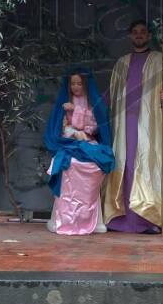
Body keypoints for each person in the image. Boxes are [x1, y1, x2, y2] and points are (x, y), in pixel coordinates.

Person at [104, 20, 163, 233]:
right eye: (135, 32)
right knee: (126, 165)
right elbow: (112, 94)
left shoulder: (160, 60)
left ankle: (149, 220)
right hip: (125, 125)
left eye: (143, 32)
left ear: (149, 36)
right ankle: (121, 219)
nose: (139, 35)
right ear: (130, 36)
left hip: (149, 125)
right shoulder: (122, 63)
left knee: (147, 165)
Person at [44, 68, 115, 235]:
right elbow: (59, 127)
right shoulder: (64, 101)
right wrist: (72, 132)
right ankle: (64, 219)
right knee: (69, 165)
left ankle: (90, 219)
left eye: (79, 83)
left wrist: (76, 112)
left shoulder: (94, 102)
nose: (76, 87)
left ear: (85, 84)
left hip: (88, 142)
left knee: (94, 167)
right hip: (69, 143)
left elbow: (95, 126)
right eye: (73, 83)